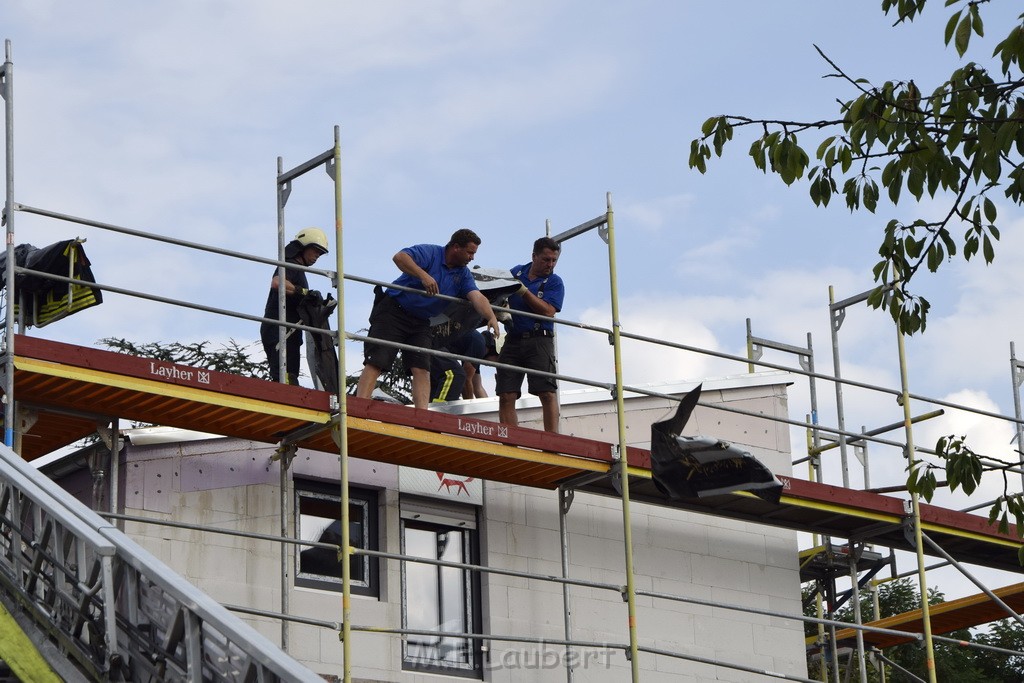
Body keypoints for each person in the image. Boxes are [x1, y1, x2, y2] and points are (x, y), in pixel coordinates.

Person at [356, 229, 500, 410]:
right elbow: (399, 257)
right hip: (393, 311)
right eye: (470, 252)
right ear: (456, 247)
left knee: (422, 367)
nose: (472, 258)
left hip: (422, 321)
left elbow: (477, 296)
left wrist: (491, 316)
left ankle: (422, 415)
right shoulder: (431, 253)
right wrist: (423, 275)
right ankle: (359, 407)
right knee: (377, 360)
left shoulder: (463, 274)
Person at [495, 237, 564, 432]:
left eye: (554, 260)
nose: (550, 264)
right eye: (546, 259)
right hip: (513, 339)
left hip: (539, 340)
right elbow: (498, 293)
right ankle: (510, 442)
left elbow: (548, 311)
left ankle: (552, 442)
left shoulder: (555, 282)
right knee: (506, 393)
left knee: (546, 392)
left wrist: (523, 292)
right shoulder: (516, 272)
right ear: (534, 256)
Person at [260, 227, 329, 384]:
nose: (317, 256)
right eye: (316, 251)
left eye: (320, 254)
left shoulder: (298, 270)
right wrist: (303, 291)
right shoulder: (291, 264)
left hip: (288, 331)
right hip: (279, 329)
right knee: (284, 378)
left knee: (289, 376)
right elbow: (278, 282)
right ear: (303, 247)